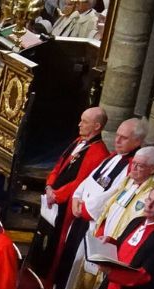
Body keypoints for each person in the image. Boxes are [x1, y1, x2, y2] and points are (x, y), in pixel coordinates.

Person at [49, 118, 147, 289]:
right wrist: (77, 198)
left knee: (77, 266)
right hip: (81, 214)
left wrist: (84, 208)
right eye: (117, 136)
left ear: (138, 141)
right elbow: (89, 179)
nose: (117, 141)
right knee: (68, 259)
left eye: (123, 138)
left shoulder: (131, 166)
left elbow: (111, 195)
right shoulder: (113, 157)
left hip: (92, 222)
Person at [67, 146, 154, 289]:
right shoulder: (129, 181)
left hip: (116, 255)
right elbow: (108, 206)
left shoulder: (153, 194)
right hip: (102, 243)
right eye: (133, 163)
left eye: (140, 166)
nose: (133, 168)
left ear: (153, 169)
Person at [36, 107, 110, 272]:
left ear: (97, 126)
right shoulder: (78, 142)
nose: (79, 124)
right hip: (51, 199)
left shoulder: (99, 152)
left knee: (54, 248)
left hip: (63, 205)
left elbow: (81, 183)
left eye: (84, 121)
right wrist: (49, 185)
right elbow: (59, 165)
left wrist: (57, 195)